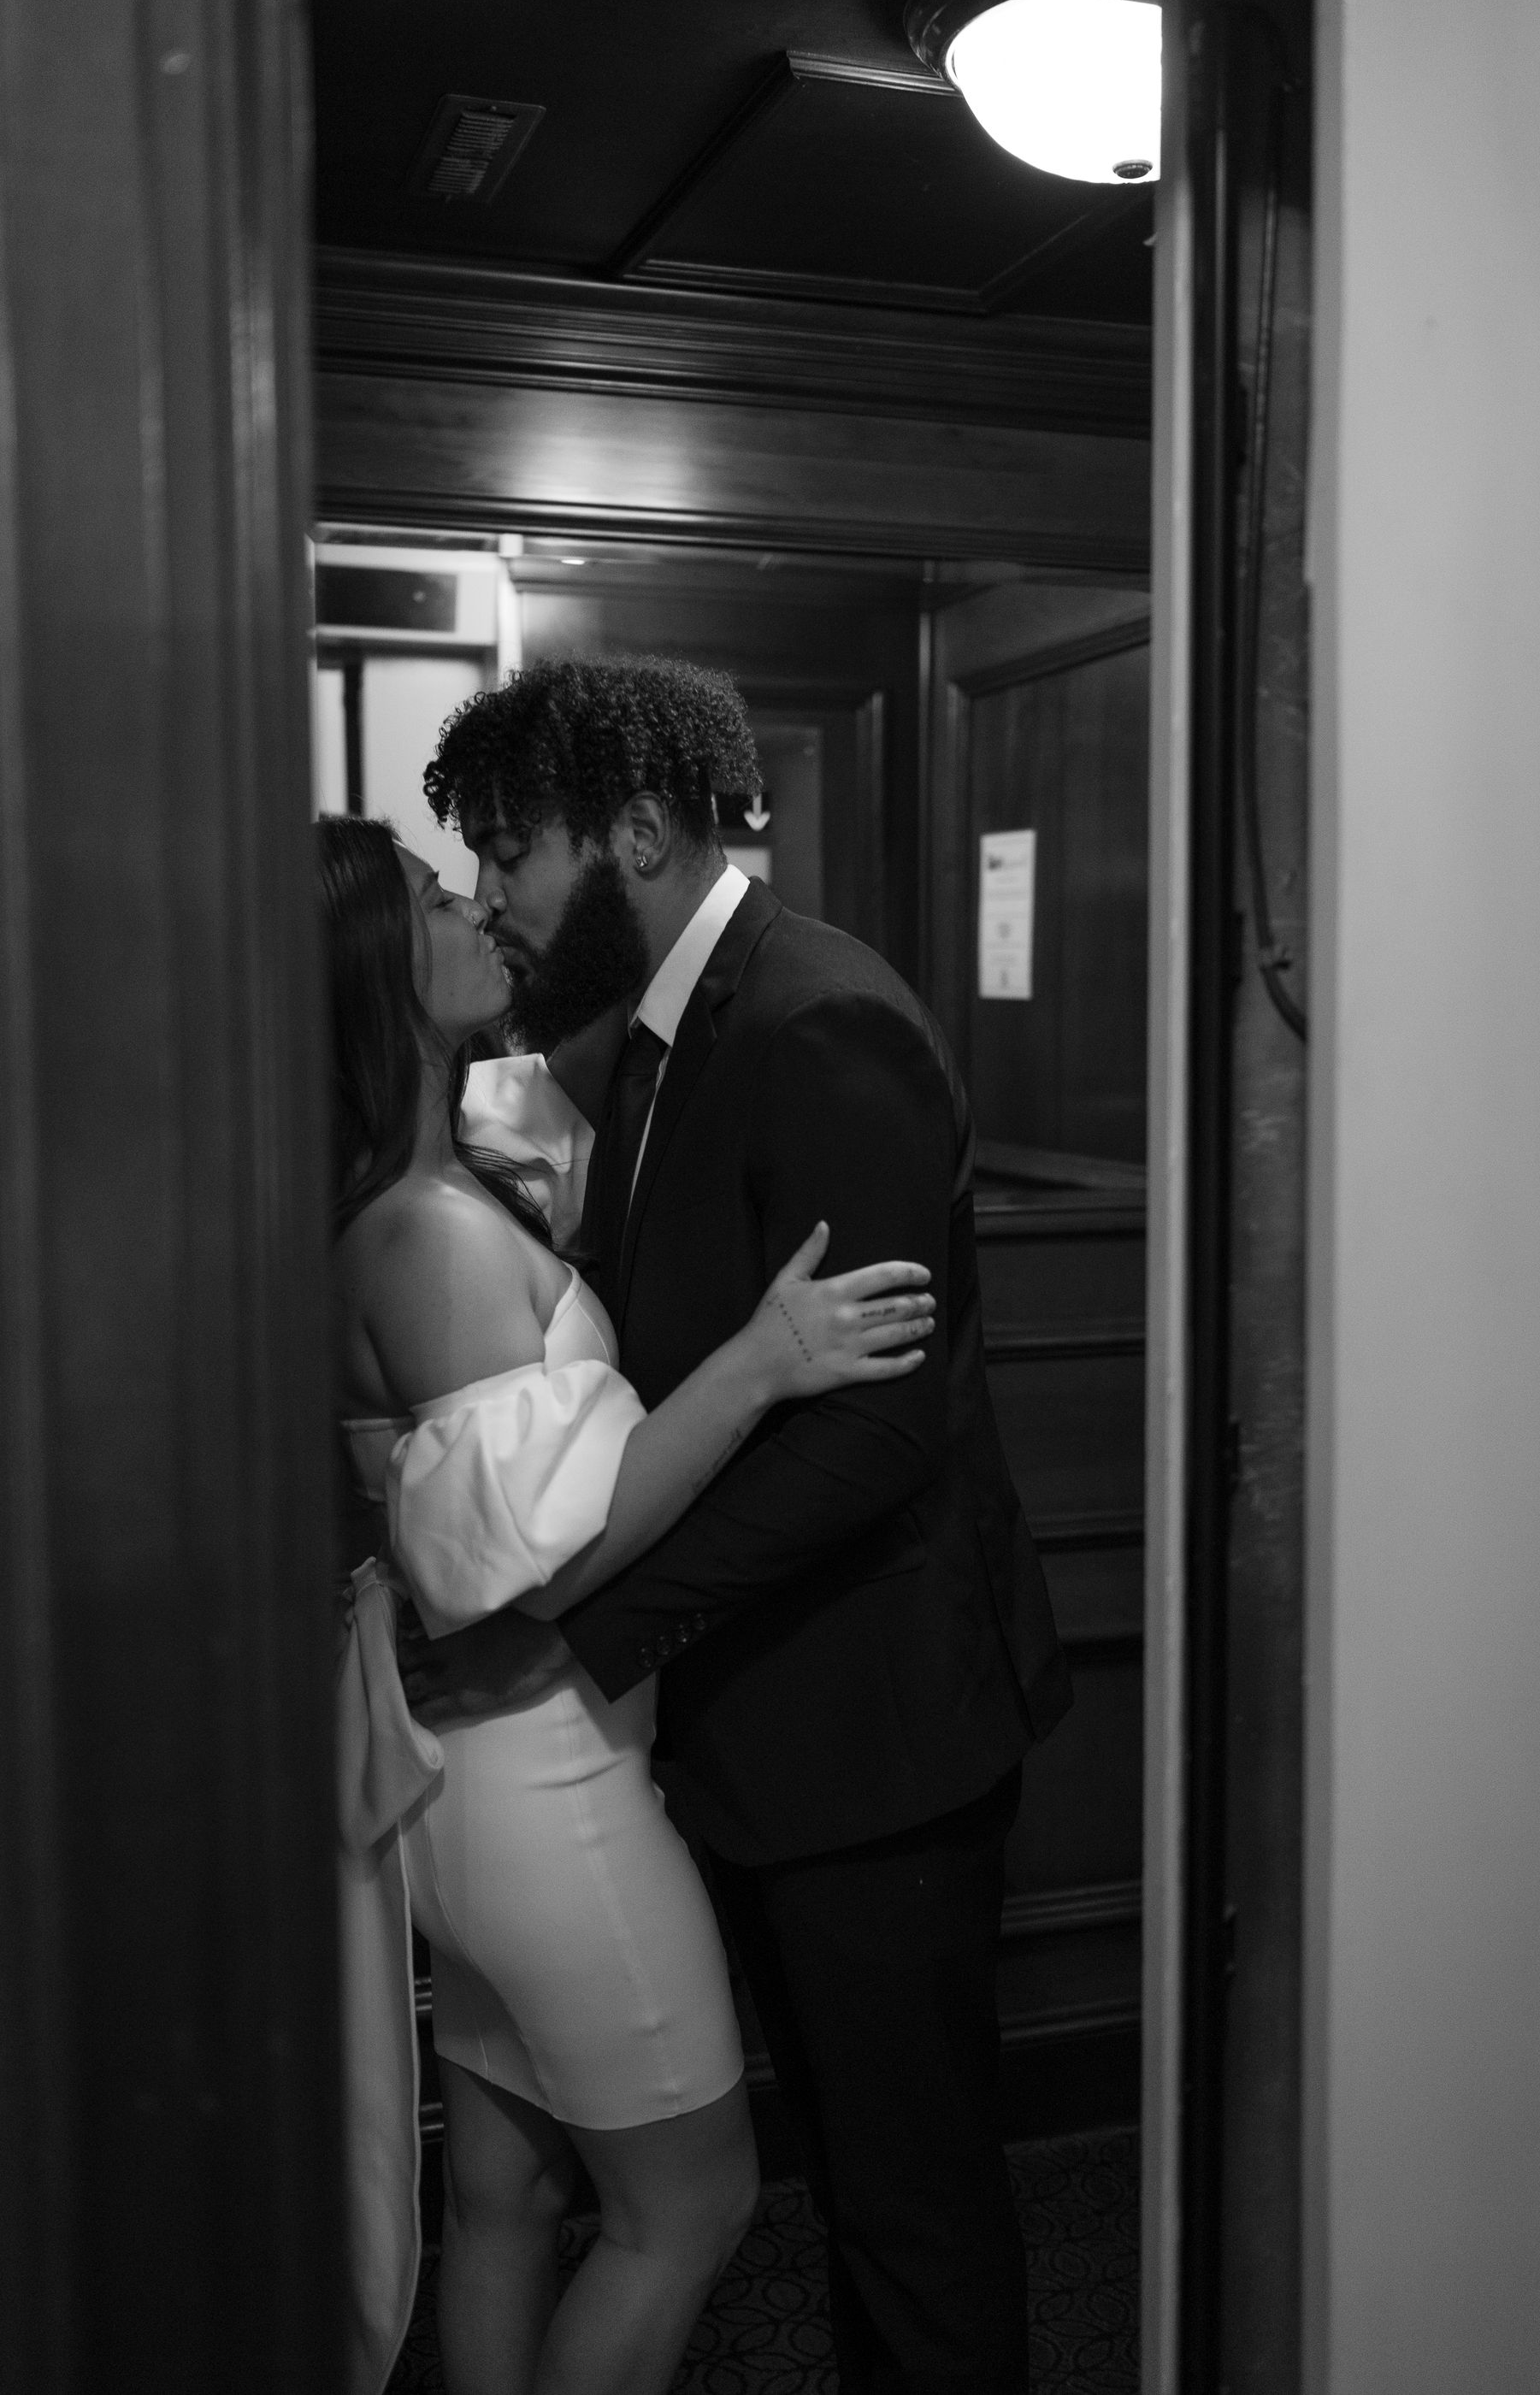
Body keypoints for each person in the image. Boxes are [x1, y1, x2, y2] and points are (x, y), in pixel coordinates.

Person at [404, 656, 1074, 2395]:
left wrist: (593, 1632)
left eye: (509, 851)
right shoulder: (651, 1035)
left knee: (912, 2212)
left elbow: (876, 1436)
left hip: (878, 1737)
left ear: (635, 830)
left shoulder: (818, 1019)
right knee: (839, 2191)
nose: (493, 894)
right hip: (756, 1725)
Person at [321, 814, 937, 2395]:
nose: (476, 905)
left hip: (481, 1784)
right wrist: (764, 1362)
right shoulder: (426, 1232)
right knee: (689, 2208)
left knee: (511, 2194)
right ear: (369, 967)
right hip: (551, 1783)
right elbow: (541, 1557)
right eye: (434, 894)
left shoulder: (428, 1188)